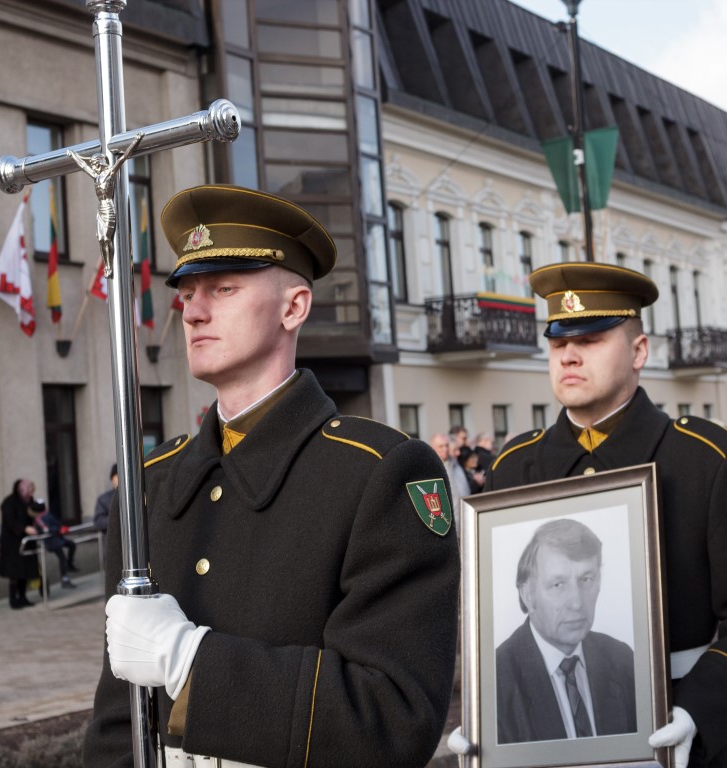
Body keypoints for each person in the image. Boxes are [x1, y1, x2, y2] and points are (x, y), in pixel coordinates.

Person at [84, 184, 459, 768]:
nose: (193, 311)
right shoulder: (152, 483)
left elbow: (394, 716)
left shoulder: (378, 473)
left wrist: (190, 660)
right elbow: (118, 718)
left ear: (294, 308)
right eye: (187, 292)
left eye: (223, 289)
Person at [451, 263, 727, 768]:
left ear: (639, 352)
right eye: (557, 342)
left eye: (590, 340)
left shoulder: (708, 459)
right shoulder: (515, 466)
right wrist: (489, 713)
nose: (568, 355)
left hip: (677, 738)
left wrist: (698, 711)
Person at [496, 518, 636, 744]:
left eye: (586, 579)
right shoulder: (495, 683)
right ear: (528, 595)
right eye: (558, 584)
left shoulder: (623, 660)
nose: (577, 603)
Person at [0, 479, 44, 609]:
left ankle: (23, 597)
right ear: (21, 490)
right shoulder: (9, 502)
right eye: (29, 491)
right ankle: (13, 599)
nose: (31, 494)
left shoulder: (29, 501)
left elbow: (35, 513)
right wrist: (23, 528)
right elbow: (10, 521)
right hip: (13, 543)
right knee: (14, 573)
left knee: (25, 571)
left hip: (27, 542)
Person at [32, 503, 78, 589]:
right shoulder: (39, 519)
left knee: (72, 545)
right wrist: (58, 530)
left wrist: (61, 528)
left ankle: (70, 564)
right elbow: (46, 529)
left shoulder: (47, 515)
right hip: (51, 541)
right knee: (62, 558)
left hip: (58, 538)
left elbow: (56, 523)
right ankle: (65, 579)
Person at [431, 431, 471, 500]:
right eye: (441, 446)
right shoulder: (431, 467)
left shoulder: (455, 462)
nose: (445, 449)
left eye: (446, 445)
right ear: (432, 448)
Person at [93, 463, 118, 534]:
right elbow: (98, 522)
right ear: (112, 479)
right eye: (117, 475)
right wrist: (116, 518)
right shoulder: (103, 499)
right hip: (112, 537)